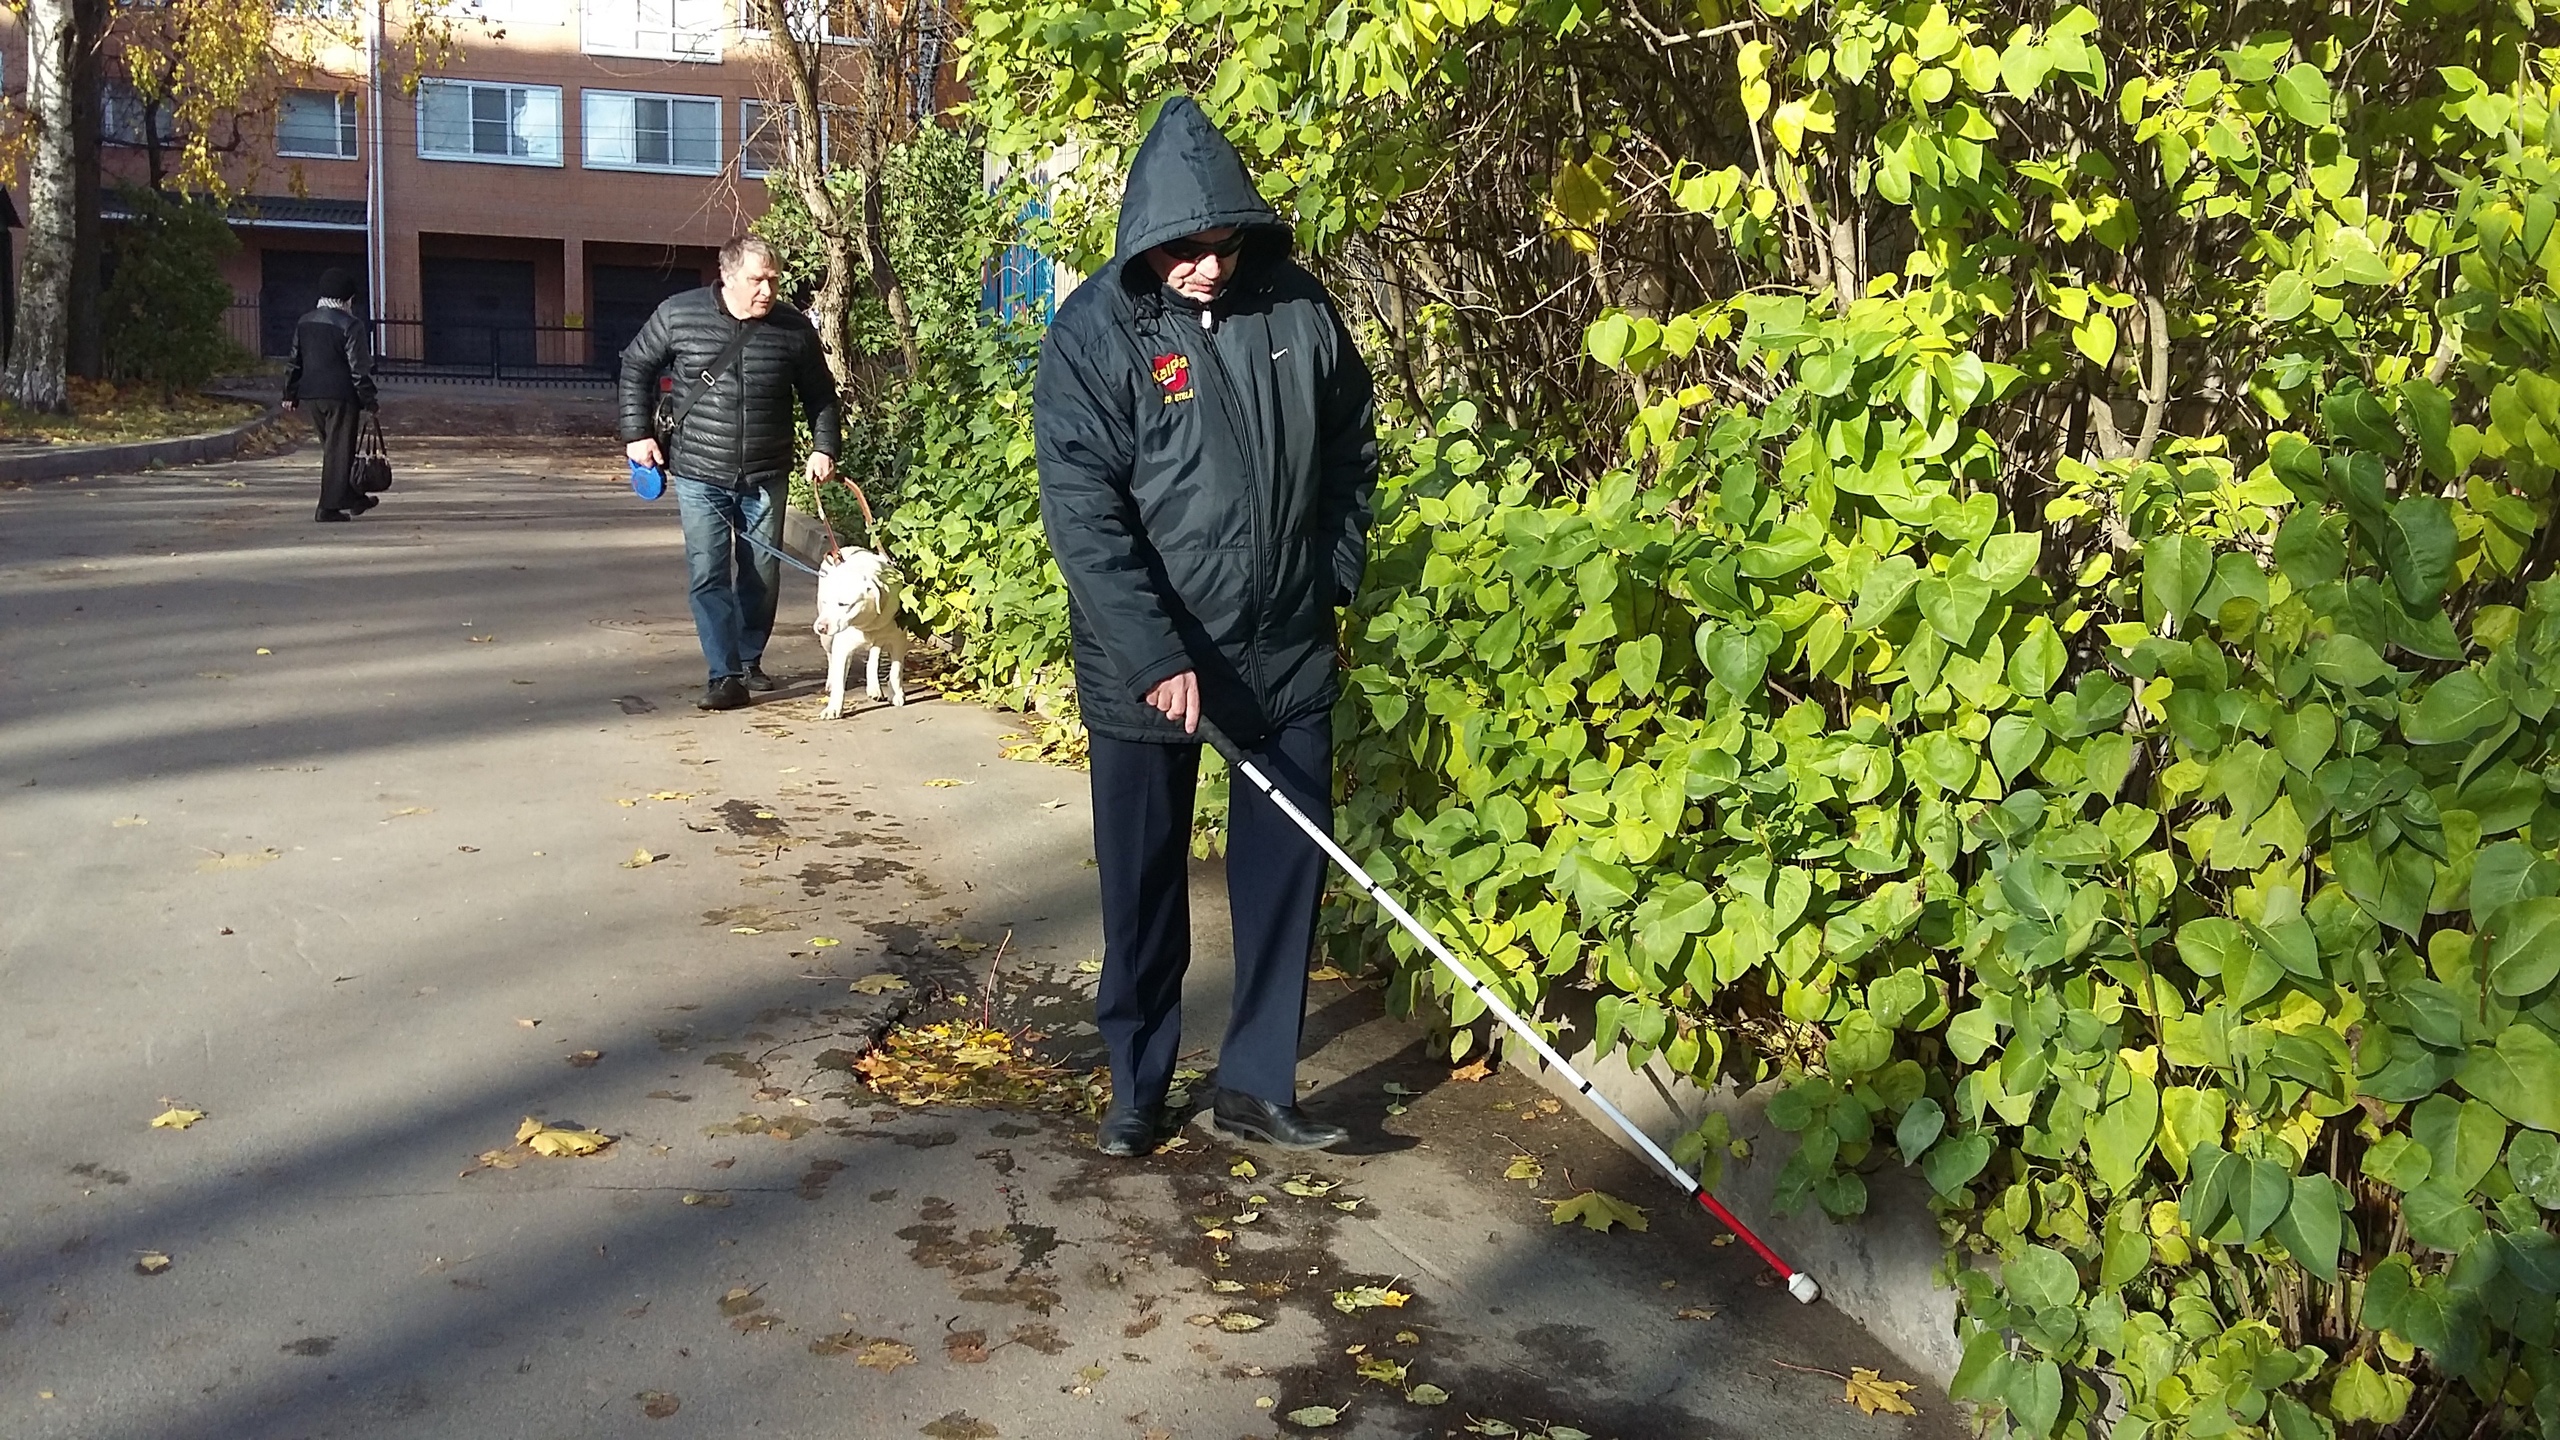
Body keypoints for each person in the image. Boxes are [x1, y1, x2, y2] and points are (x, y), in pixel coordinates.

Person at [1034, 96, 1379, 1158]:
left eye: (1219, 243)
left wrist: (1331, 579)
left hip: (1282, 653)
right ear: (1145, 237)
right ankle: (1137, 1083)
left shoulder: (1298, 311)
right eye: (1182, 249)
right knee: (1142, 888)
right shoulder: (1095, 333)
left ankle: (1256, 1084)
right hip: (1151, 665)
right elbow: (1082, 515)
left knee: (1286, 876)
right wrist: (1151, 653)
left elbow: (1351, 454)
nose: (1206, 269)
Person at [618, 236, 842, 712]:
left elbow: (821, 394)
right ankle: (724, 674)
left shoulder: (792, 328)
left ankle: (748, 658)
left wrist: (824, 448)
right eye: (757, 280)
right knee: (709, 572)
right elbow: (635, 364)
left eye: (773, 279)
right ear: (728, 276)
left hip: (766, 470)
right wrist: (637, 433)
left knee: (762, 575)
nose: (767, 290)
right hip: (700, 471)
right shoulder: (679, 314)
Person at [282, 267, 377, 523]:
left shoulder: (305, 321)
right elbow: (358, 367)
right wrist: (369, 398)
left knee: (334, 450)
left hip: (312, 394)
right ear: (347, 298)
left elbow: (295, 359)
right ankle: (328, 508)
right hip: (341, 395)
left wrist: (290, 393)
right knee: (339, 450)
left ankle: (353, 499)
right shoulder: (351, 325)